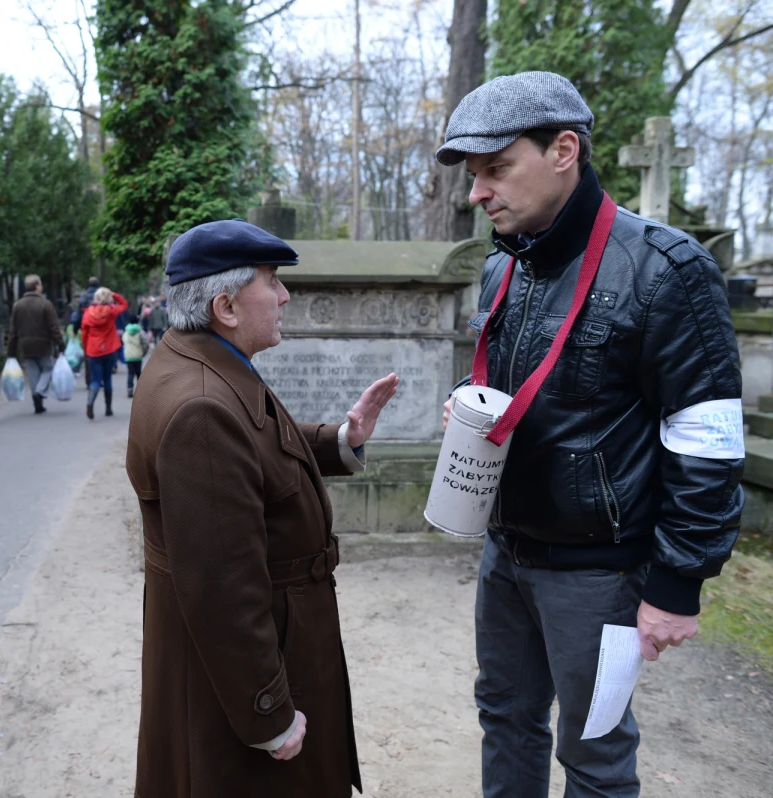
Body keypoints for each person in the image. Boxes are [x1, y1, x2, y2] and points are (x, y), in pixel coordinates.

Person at [435, 72, 744, 797]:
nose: (477, 192)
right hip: (505, 554)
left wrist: (676, 585)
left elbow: (706, 443)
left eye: (495, 169)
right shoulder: (502, 267)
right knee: (505, 718)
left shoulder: (667, 270)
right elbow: (533, 388)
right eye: (475, 175)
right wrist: (471, 405)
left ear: (564, 149)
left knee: (595, 753)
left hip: (600, 576)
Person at [127, 219, 399, 797]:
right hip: (260, 659)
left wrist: (341, 441)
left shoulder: (200, 361)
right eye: (271, 282)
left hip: (271, 641)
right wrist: (268, 712)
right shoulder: (200, 406)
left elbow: (253, 449)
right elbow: (222, 586)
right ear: (225, 305)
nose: (284, 296)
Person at [7, 274, 65, 415]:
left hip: (25, 345)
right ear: (37, 286)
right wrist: (61, 345)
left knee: (33, 374)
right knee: (48, 369)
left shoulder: (17, 305)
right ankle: (39, 391)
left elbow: (13, 330)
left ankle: (37, 405)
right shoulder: (45, 304)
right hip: (43, 344)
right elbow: (53, 327)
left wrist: (11, 351)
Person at [79, 287, 128, 419]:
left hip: (93, 350)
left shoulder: (88, 313)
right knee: (107, 378)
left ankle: (90, 403)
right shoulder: (111, 311)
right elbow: (124, 304)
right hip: (109, 349)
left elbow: (84, 333)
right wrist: (114, 294)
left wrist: (85, 348)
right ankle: (108, 409)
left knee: (95, 380)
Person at [121, 314, 148, 398]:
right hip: (138, 356)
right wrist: (143, 353)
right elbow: (145, 343)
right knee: (138, 373)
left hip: (129, 356)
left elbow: (123, 341)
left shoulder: (126, 332)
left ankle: (130, 390)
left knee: (130, 373)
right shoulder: (140, 332)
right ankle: (140, 391)